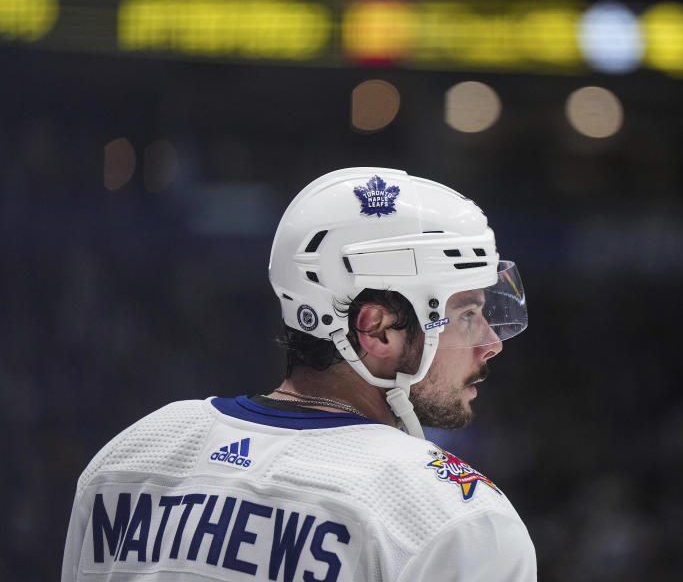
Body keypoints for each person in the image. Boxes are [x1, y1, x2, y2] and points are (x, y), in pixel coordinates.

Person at [62, 167, 536, 581]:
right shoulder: (459, 521)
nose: (491, 344)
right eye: (468, 313)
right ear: (377, 328)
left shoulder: (130, 458)